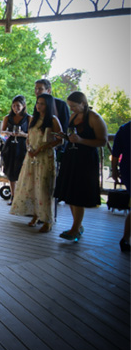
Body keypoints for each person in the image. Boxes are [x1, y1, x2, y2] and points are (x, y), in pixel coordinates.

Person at [53, 91, 108, 242]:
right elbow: (72, 136)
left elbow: (102, 141)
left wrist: (81, 140)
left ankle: (75, 228)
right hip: (71, 157)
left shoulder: (94, 118)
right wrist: (64, 137)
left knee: (78, 194)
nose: (71, 109)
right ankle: (77, 226)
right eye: (70, 106)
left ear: (83, 104)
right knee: (70, 193)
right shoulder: (73, 116)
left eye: (74, 106)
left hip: (86, 159)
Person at [9, 94, 62, 233]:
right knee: (31, 185)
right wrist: (29, 148)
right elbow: (29, 136)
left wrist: (43, 147)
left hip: (45, 156)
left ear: (48, 105)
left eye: (42, 104)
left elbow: (60, 139)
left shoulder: (53, 120)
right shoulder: (33, 118)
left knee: (44, 188)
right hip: (31, 156)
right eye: (38, 103)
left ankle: (47, 220)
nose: (39, 106)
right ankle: (35, 215)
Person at [0, 95, 30, 203]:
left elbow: (31, 135)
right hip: (10, 145)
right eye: (13, 106)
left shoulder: (29, 118)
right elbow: (2, 132)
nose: (15, 108)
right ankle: (13, 196)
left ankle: (22, 197)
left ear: (23, 106)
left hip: (23, 146)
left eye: (18, 106)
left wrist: (22, 134)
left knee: (22, 171)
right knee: (11, 171)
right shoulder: (7, 118)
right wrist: (9, 133)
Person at [110, 121, 130, 252]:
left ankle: (125, 239)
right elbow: (116, 153)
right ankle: (125, 239)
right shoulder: (125, 129)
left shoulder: (124, 129)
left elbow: (115, 153)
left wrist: (114, 170)